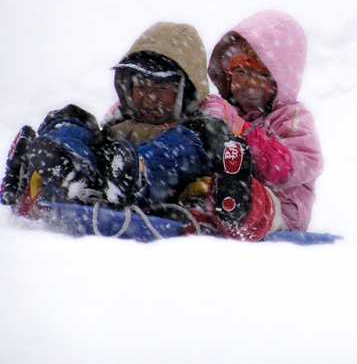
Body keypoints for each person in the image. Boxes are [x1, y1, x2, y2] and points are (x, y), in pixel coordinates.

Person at [0, 22, 229, 220]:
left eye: (162, 87)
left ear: (186, 91)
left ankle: (136, 175)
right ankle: (67, 172)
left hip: (162, 188)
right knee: (71, 118)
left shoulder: (205, 123)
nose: (149, 97)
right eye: (140, 86)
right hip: (103, 177)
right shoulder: (120, 121)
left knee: (198, 137)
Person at [191, 9, 324, 241]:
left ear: (283, 80)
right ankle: (191, 211)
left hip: (279, 211)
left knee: (243, 193)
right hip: (216, 195)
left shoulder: (291, 117)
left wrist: (240, 132)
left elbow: (298, 164)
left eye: (263, 75)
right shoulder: (222, 110)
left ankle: (233, 210)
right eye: (241, 71)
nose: (251, 84)